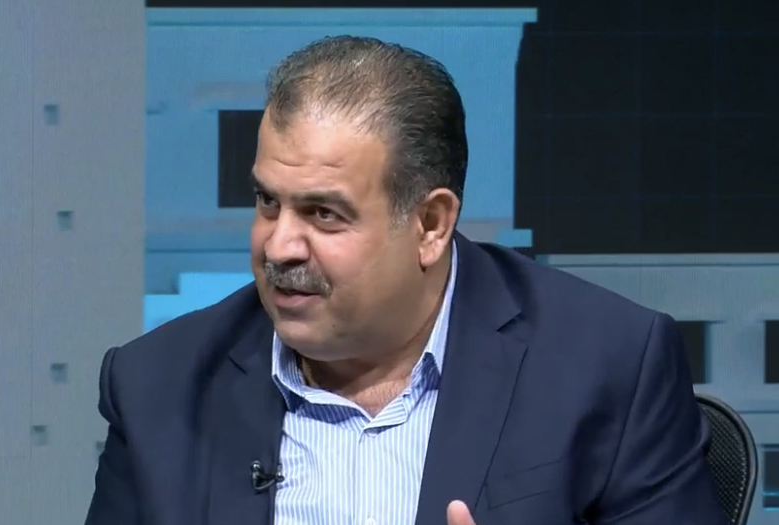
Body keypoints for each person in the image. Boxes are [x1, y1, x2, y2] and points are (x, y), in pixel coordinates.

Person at [85, 36, 726, 525]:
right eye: (267, 202)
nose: (279, 245)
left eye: (323, 214)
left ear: (430, 224)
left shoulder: (607, 366)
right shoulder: (158, 386)